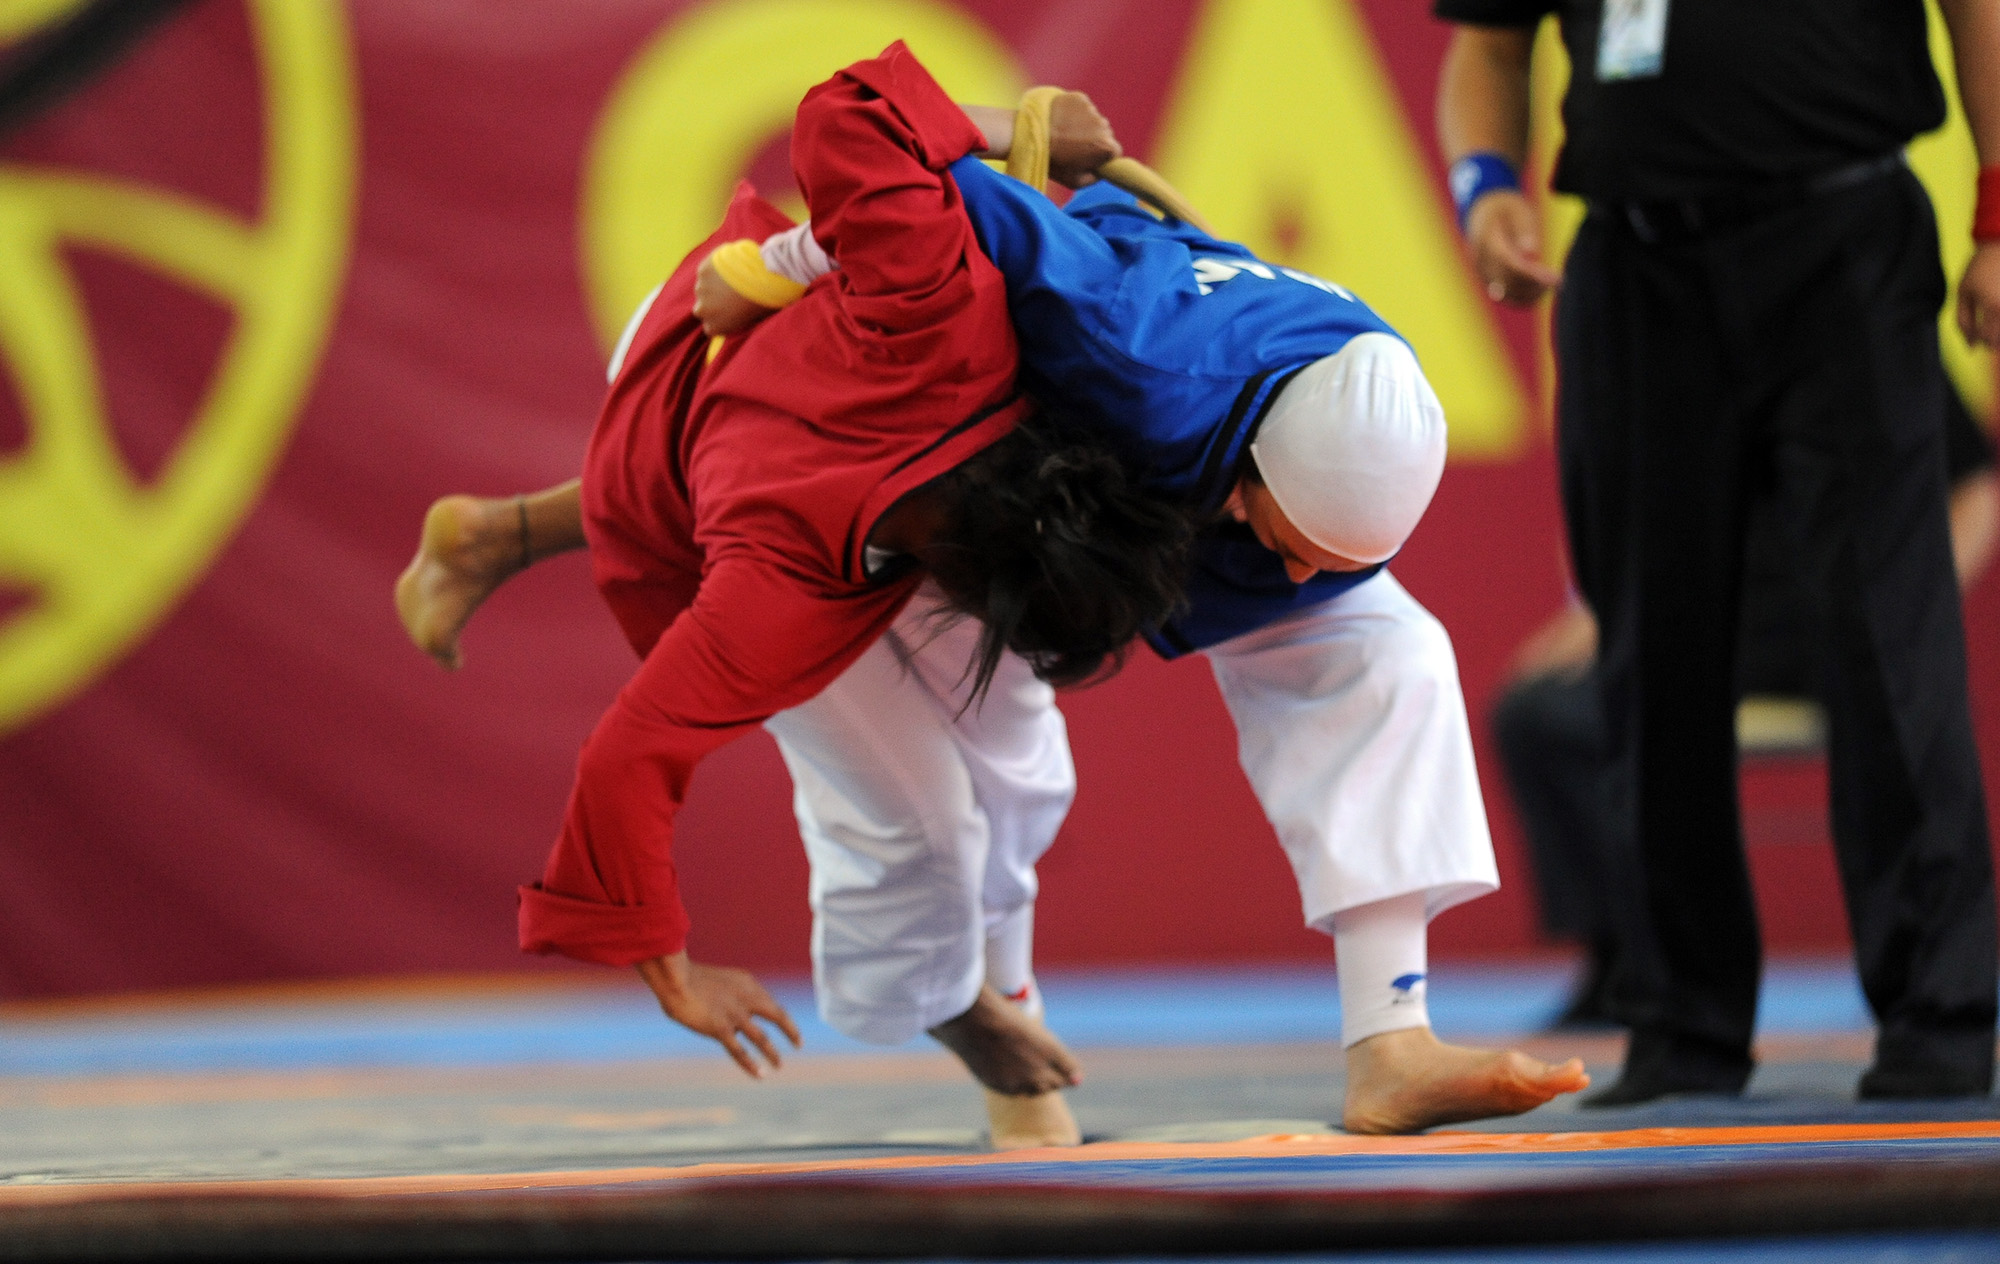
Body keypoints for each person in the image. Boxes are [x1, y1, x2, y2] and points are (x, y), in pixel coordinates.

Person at [660, 66, 1593, 1132]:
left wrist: (1308, 549)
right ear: (1247, 472)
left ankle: (1392, 1042)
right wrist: (776, 265)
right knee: (989, 787)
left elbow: (1308, 534)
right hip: (943, 494)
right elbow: (879, 152)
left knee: (1389, 649)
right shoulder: (1112, 328)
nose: (1300, 575)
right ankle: (1004, 1055)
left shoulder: (1361, 394)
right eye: (1296, 545)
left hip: (1156, 484)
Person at [400, 45, 1218, 1150]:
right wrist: (668, 966)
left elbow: (852, 119)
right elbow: (627, 757)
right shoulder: (774, 585)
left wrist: (1015, 125)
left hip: (773, 354)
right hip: (688, 375)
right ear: (955, 572)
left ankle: (493, 533)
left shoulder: (948, 317)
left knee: (1027, 770)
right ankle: (965, 1020)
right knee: (921, 820)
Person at [1436, 1, 2000, 1102]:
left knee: (1888, 646)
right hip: (1631, 263)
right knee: (1651, 656)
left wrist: (1996, 217)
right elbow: (1488, 45)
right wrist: (1485, 183)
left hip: (1839, 237)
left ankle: (1939, 1017)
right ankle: (1677, 1025)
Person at [1492, 387, 1998, 1029]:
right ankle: (1621, 957)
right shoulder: (1673, 363)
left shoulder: (1866, 341)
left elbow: (1976, 490)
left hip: (1822, 641)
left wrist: (1911, 610)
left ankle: (1919, 988)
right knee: (1536, 715)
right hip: (1696, 631)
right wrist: (1601, 617)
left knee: (1639, 722)